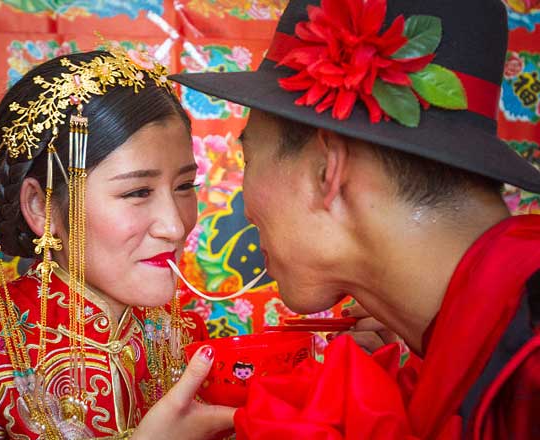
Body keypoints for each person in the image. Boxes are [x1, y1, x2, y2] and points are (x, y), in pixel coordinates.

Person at [170, 0, 540, 438]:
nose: (246, 208)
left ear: (327, 169)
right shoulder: (465, 346)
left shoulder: (528, 363)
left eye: (248, 159)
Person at [0, 50, 234, 440]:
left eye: (184, 186)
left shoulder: (184, 337)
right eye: (137, 192)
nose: (175, 225)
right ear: (41, 206)